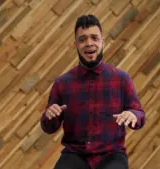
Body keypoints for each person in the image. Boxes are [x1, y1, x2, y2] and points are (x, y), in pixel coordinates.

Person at [40, 14, 146, 169]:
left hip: (112, 154)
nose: (89, 43)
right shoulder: (62, 83)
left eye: (94, 38)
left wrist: (134, 115)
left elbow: (140, 115)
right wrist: (49, 116)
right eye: (82, 39)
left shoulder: (122, 78)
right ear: (76, 44)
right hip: (75, 154)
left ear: (102, 41)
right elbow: (49, 128)